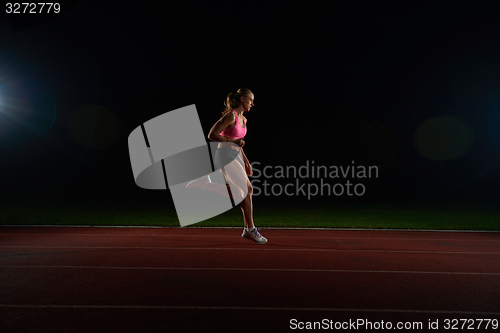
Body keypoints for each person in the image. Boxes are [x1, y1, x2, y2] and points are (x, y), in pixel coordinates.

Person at [186, 88, 267, 244]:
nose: (253, 103)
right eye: (250, 100)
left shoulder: (244, 120)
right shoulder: (231, 116)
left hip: (235, 155)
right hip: (225, 155)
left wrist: (245, 160)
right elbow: (212, 134)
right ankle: (249, 229)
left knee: (241, 192)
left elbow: (239, 143)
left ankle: (206, 184)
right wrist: (232, 143)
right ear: (242, 99)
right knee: (247, 190)